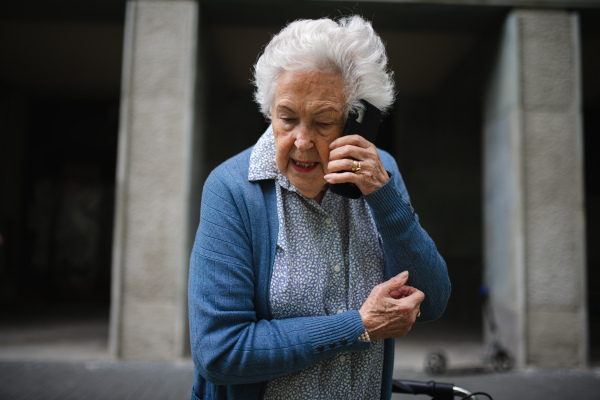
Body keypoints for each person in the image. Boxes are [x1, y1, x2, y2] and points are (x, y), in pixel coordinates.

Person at [188, 15, 451, 400]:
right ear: (269, 110)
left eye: (324, 122)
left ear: (356, 119)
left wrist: (383, 194)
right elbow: (219, 352)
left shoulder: (381, 172)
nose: (302, 141)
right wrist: (358, 326)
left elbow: (432, 302)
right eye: (287, 118)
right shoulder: (231, 189)